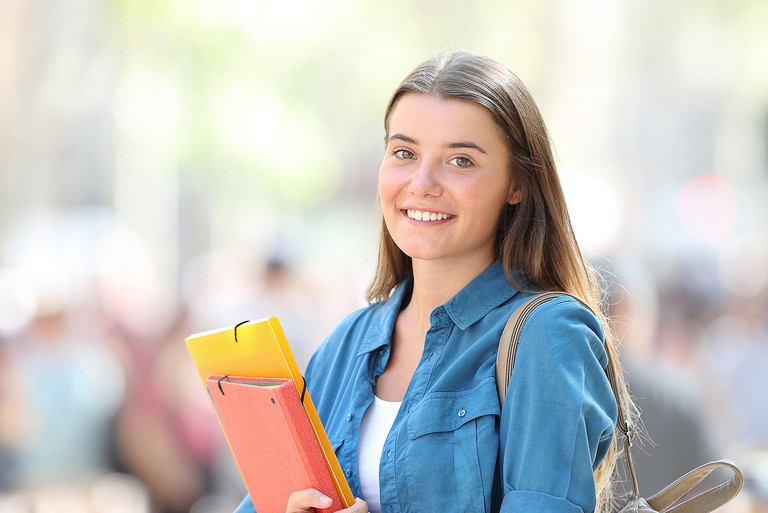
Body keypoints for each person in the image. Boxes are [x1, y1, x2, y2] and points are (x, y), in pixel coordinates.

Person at [234, 49, 630, 513]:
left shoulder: (548, 335)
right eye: (404, 152)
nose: (422, 182)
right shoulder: (346, 345)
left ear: (517, 185)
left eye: (460, 161)